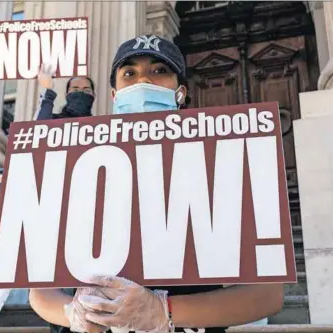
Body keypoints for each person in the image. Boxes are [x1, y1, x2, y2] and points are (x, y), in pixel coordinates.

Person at [29, 35, 283, 333]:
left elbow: (266, 294)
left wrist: (163, 311)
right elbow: (40, 293)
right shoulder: (78, 168)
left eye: (160, 71)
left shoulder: (224, 164)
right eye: (129, 73)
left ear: (181, 91)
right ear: (114, 94)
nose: (143, 81)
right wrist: (74, 314)